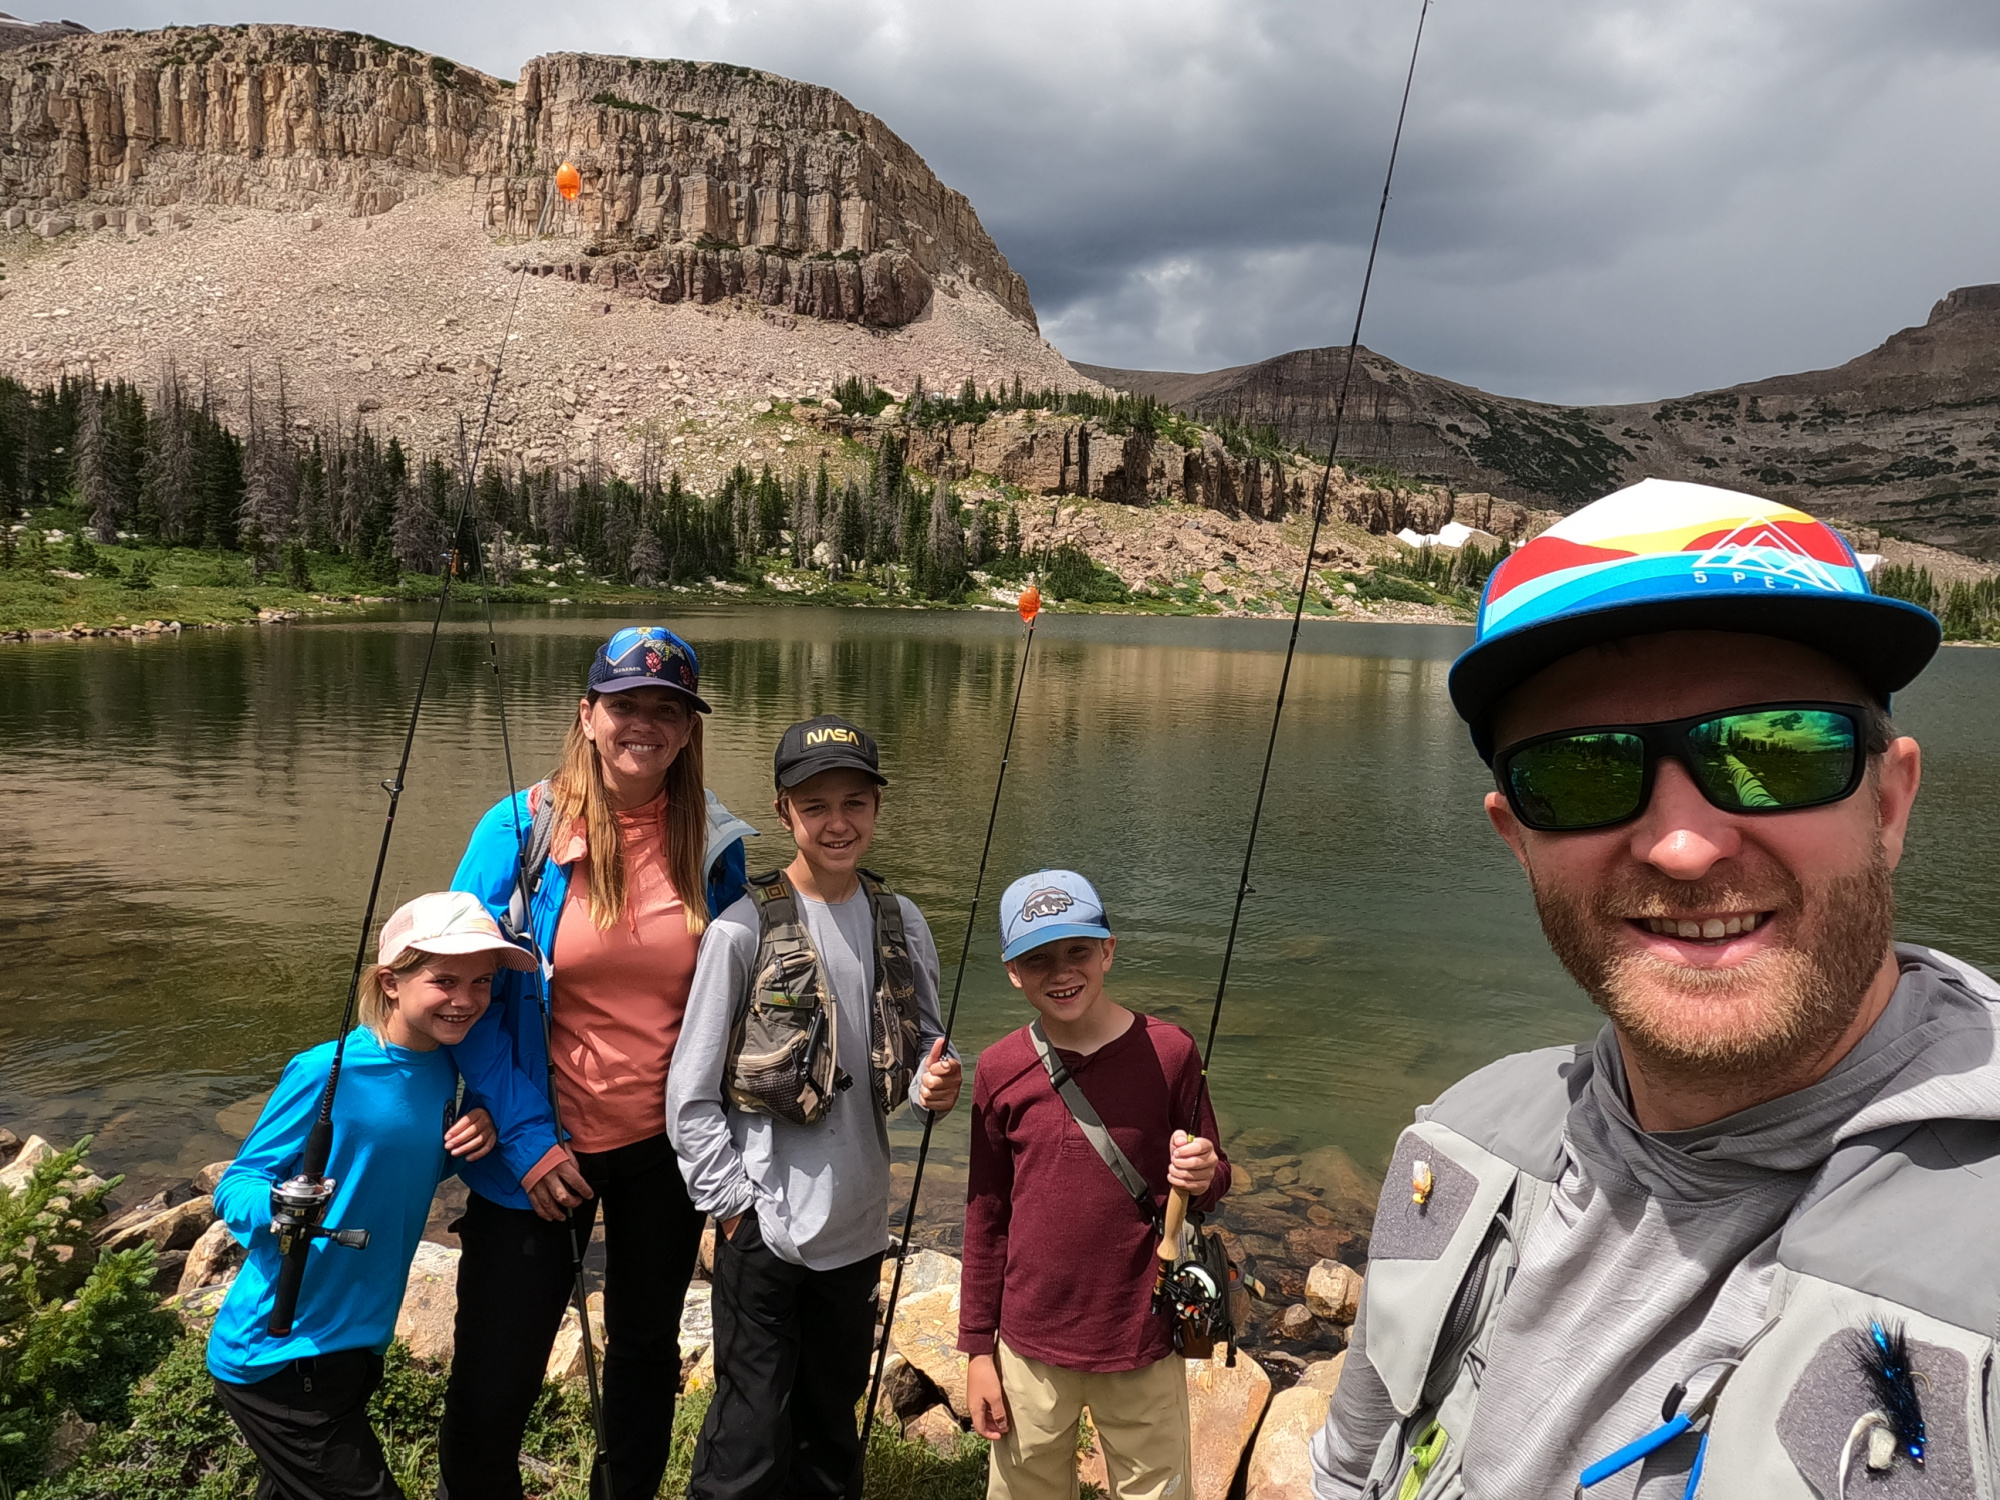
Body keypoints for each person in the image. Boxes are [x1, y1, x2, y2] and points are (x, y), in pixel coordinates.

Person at [1309, 477, 2000, 1499]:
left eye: (1772, 750)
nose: (1681, 846)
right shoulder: (1455, 1150)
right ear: (1517, 840)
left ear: (1889, 802)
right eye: (1581, 773)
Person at [440, 626, 756, 1500]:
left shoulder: (715, 845)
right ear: (587, 715)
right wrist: (528, 1136)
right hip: (538, 1152)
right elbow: (457, 991)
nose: (643, 723)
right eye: (624, 705)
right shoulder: (517, 832)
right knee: (497, 1371)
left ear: (688, 730)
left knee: (647, 1354)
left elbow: (730, 1001)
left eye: (667, 708)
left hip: (665, 1149)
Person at [668, 713, 963, 1500]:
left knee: (833, 1431)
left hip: (860, 1228)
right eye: (816, 805)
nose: (838, 823)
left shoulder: (904, 923)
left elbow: (932, 1047)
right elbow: (689, 1098)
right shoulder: (739, 931)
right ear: (783, 812)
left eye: (855, 803)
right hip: (764, 1229)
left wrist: (941, 1083)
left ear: (876, 810)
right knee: (748, 1437)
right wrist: (733, 1211)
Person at [207, 891, 525, 1500]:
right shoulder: (325, 1071)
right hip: (280, 1353)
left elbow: (396, 1171)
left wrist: (477, 1127)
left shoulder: (448, 1072)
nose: (466, 1000)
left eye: (482, 982)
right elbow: (236, 1183)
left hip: (356, 1342)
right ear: (391, 982)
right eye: (445, 980)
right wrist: (279, 1205)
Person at [959, 869, 1229, 1500]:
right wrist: (977, 1350)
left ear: (1108, 949)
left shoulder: (1172, 1052)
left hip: (1143, 1335)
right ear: (1012, 971)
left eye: (1078, 950)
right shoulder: (999, 1068)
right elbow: (985, 1216)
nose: (1062, 972)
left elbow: (1212, 1179)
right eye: (1039, 958)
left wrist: (1206, 1172)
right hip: (1028, 1346)